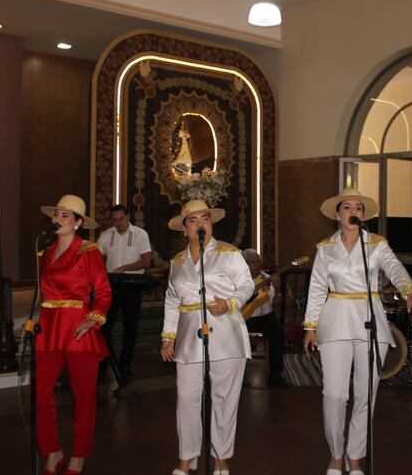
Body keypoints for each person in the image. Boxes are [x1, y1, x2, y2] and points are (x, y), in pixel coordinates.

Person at [303, 188, 412, 475]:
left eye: (358, 208)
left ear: (363, 215)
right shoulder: (325, 248)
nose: (353, 212)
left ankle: (354, 456)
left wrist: (410, 292)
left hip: (370, 320)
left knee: (366, 393)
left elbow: (395, 269)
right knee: (334, 394)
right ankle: (335, 453)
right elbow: (317, 288)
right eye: (347, 207)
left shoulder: (377, 245)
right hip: (335, 321)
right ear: (337, 214)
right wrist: (310, 326)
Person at [160, 200, 255, 475]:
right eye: (193, 220)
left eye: (205, 219)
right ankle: (187, 456)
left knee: (224, 398)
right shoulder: (177, 262)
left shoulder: (228, 253)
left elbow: (247, 284)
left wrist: (232, 303)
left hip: (225, 332)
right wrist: (168, 337)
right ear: (185, 228)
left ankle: (221, 458)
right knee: (186, 397)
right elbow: (171, 300)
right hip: (189, 336)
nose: (200, 224)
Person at [35, 195, 111, 475]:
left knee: (83, 397)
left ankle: (78, 455)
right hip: (49, 328)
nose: (59, 219)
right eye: (57, 214)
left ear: (78, 223)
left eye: (66, 215)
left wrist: (94, 319)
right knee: (41, 394)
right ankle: (52, 450)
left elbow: (103, 291)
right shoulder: (45, 252)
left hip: (79, 328)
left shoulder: (88, 251)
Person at [98, 204, 152, 382]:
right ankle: (102, 365)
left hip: (132, 285)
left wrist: (124, 268)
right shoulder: (106, 236)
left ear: (129, 217)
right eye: (114, 220)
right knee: (105, 327)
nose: (118, 223)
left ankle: (125, 365)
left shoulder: (140, 235)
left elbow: (146, 262)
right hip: (111, 285)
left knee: (130, 327)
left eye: (121, 219)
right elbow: (97, 260)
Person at [241, 248, 287, 387]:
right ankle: (238, 377)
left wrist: (278, 288)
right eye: (252, 262)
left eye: (257, 262)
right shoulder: (238, 281)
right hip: (244, 318)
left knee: (277, 331)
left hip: (265, 318)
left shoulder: (267, 278)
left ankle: (275, 375)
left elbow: (277, 305)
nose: (256, 265)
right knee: (234, 334)